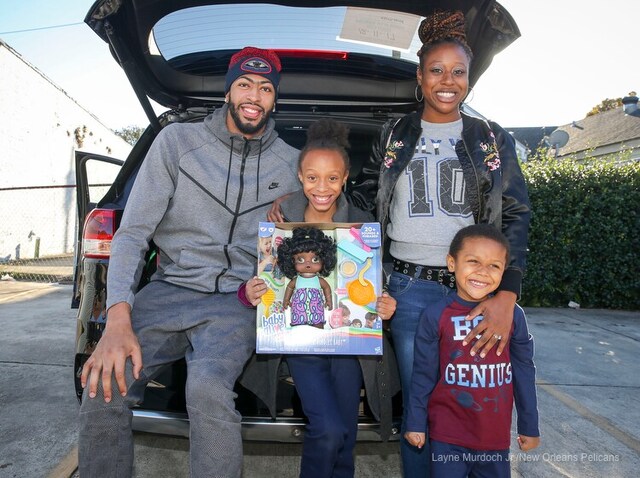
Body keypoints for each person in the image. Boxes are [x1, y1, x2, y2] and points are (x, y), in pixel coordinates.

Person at [77, 46, 301, 478]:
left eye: (266, 88)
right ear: (228, 90)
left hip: (237, 301)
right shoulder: (177, 143)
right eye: (244, 84)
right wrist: (117, 317)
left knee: (208, 390)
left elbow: (325, 228)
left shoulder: (293, 164)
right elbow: (133, 232)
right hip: (168, 290)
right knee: (102, 385)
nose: (253, 95)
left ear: (275, 99)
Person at [343, 10, 532, 475]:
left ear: (469, 78)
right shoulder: (393, 135)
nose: (447, 80)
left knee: (474, 404)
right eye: (436, 70)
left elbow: (515, 215)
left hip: (477, 293)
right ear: (419, 76)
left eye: (458, 71)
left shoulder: (490, 139)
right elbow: (361, 204)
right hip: (408, 293)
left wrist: (507, 293)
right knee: (422, 408)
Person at [240, 118, 400, 478]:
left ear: (345, 178)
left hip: (348, 346)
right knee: (326, 429)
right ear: (300, 176)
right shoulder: (280, 221)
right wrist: (251, 291)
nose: (322, 187)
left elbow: (375, 278)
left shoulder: (360, 223)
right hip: (301, 343)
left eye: (332, 178)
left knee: (344, 435)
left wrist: (384, 300)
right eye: (312, 177)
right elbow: (266, 277)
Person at [404, 224, 540, 477]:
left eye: (494, 266)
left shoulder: (514, 317)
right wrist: (415, 423)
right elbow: (423, 375)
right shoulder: (435, 315)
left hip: (494, 438)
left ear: (504, 271)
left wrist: (529, 424)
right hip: (447, 435)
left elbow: (524, 371)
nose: (482, 272)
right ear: (452, 263)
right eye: (473, 261)